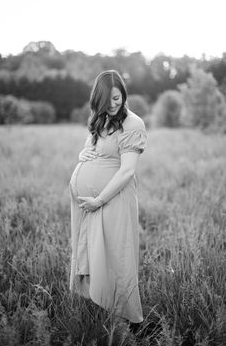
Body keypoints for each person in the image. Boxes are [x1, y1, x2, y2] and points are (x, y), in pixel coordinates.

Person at [69, 69, 148, 326]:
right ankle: (104, 315)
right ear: (98, 100)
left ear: (123, 94)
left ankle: (122, 326)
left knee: (118, 259)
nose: (114, 104)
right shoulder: (100, 119)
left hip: (114, 201)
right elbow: (92, 149)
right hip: (91, 205)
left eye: (118, 98)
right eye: (108, 100)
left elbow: (127, 170)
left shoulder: (133, 124)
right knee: (97, 256)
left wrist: (99, 200)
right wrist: (83, 155)